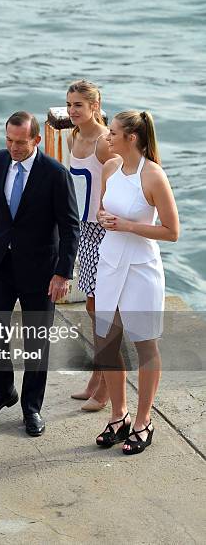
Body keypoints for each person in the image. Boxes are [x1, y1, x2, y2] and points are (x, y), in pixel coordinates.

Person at [0, 111, 80, 436]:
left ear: (36, 140)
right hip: (0, 262)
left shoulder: (55, 174)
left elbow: (71, 227)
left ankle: (31, 406)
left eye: (20, 142)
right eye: (9, 141)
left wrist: (62, 273)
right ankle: (2, 392)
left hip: (41, 269)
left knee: (36, 341)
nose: (13, 148)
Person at [94, 110, 179, 454]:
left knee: (145, 344)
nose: (107, 137)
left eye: (112, 132)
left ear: (131, 138)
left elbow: (171, 232)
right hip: (110, 262)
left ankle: (144, 420)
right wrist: (102, 217)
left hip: (141, 269)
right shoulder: (112, 167)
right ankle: (119, 416)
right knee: (106, 341)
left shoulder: (154, 176)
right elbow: (103, 209)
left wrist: (128, 226)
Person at [66, 80, 117, 411]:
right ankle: (97, 378)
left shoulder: (103, 142)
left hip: (102, 232)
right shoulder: (73, 136)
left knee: (103, 310)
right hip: (81, 231)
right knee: (91, 307)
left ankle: (106, 388)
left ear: (95, 107)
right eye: (69, 105)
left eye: (78, 106)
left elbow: (122, 179)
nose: (72, 111)